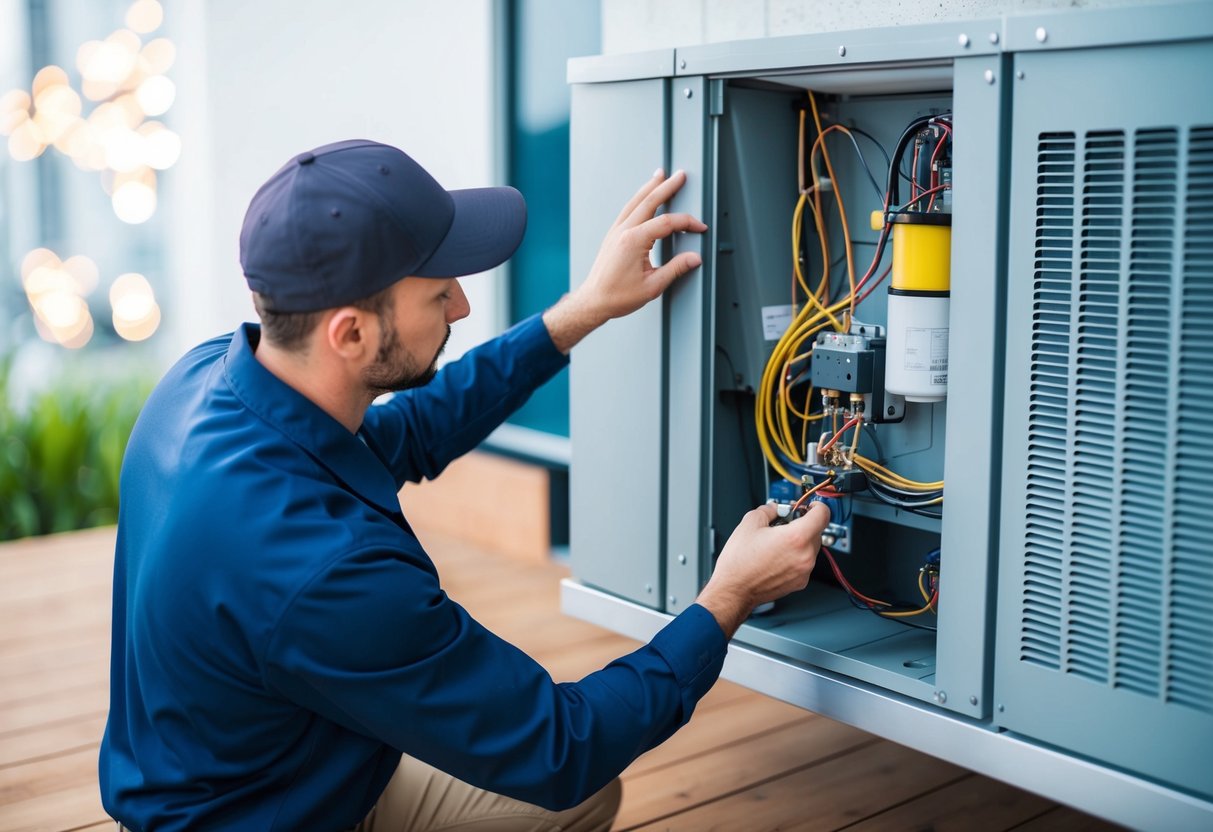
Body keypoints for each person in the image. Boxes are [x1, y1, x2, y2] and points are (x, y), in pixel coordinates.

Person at [99, 139, 829, 831]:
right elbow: (562, 747)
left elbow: (412, 430)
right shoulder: (323, 570)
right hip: (270, 812)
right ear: (349, 335)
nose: (462, 307)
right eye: (438, 292)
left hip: (252, 765)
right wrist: (727, 597)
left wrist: (582, 310)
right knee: (573, 793)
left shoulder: (210, 380)